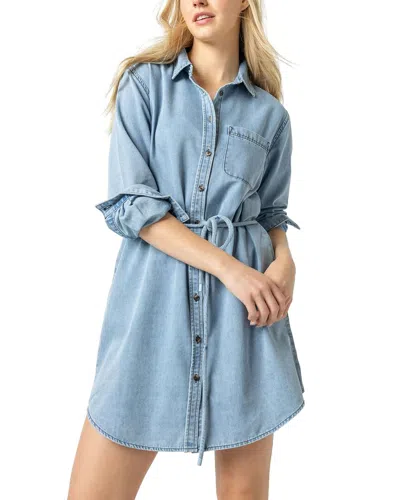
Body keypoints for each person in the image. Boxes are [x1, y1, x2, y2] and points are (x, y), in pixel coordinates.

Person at [68, 0, 305, 498]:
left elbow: (270, 213)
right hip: (152, 317)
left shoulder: (270, 115)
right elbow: (133, 205)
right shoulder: (144, 86)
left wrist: (285, 260)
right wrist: (230, 269)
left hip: (246, 324)